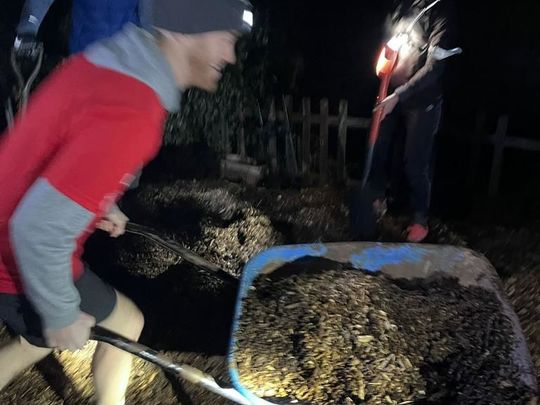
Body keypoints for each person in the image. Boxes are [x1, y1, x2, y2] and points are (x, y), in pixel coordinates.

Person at [0, 1, 252, 404]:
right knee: (111, 324)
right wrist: (61, 312)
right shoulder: (133, 109)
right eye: (224, 38)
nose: (230, 56)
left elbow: (65, 156)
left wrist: (100, 202)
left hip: (11, 229)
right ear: (181, 31)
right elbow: (36, 228)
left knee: (61, 332)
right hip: (15, 253)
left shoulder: (111, 69)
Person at [366, 0, 459, 242]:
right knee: (378, 145)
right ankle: (376, 197)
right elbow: (388, 39)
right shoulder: (403, 6)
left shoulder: (442, 16)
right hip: (391, 93)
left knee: (415, 162)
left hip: (422, 100)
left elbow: (434, 68)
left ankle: (419, 219)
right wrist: (383, 60)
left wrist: (399, 95)